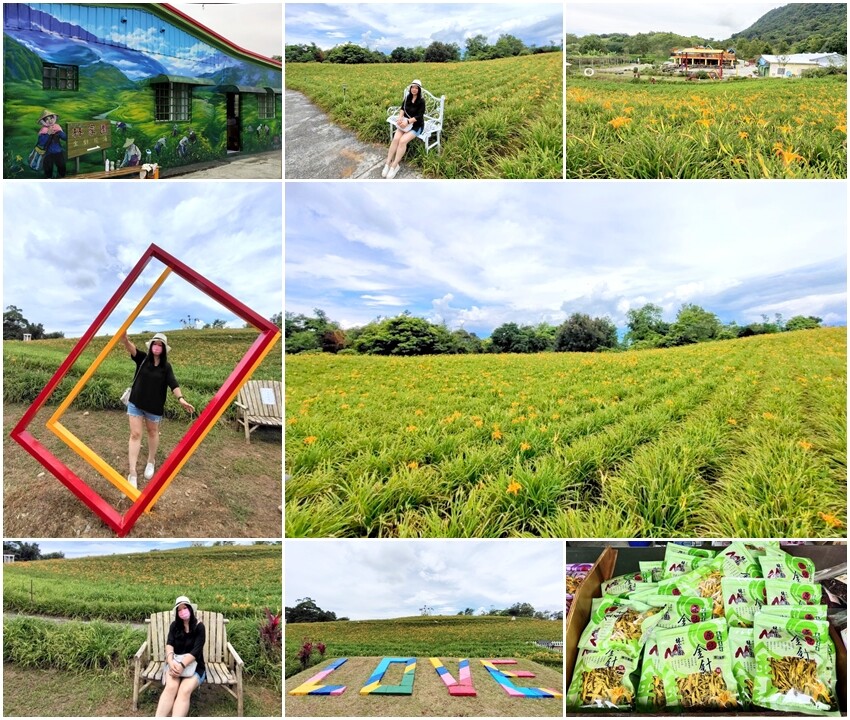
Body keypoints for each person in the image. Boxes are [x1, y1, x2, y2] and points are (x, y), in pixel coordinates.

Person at [121, 332, 195, 488]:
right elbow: (131, 348)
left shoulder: (166, 367)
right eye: (155, 343)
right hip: (135, 403)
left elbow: (173, 383)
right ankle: (132, 472)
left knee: (152, 432)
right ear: (151, 346)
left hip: (154, 408)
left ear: (164, 349)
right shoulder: (142, 358)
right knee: (135, 435)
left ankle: (150, 461)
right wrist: (125, 339)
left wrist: (181, 399)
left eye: (160, 345)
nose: (157, 347)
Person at [156, 596, 206, 717]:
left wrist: (182, 665)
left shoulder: (199, 627)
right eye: (179, 609)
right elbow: (169, 644)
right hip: (174, 663)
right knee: (171, 687)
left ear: (190, 609)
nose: (182, 611)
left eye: (185, 608)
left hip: (195, 667)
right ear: (177, 612)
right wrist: (170, 661)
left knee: (184, 690)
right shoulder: (174, 626)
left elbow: (196, 651)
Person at [382, 79, 425, 179]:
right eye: (412, 87)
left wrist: (408, 122)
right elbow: (402, 109)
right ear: (410, 88)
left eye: (416, 88)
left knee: (402, 141)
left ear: (419, 90)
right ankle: (388, 162)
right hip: (404, 124)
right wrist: (400, 118)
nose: (414, 89)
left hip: (416, 126)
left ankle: (395, 165)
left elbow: (419, 116)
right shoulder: (407, 98)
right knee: (396, 139)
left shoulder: (421, 101)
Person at [36, 109, 67, 179]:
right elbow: (41, 142)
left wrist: (59, 132)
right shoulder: (43, 130)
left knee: (61, 166)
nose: (50, 120)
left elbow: (65, 138)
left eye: (51, 118)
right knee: (48, 168)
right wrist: (48, 133)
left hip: (58, 151)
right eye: (47, 119)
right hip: (47, 153)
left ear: (54, 118)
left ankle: (61, 177)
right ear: (43, 121)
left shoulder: (57, 127)